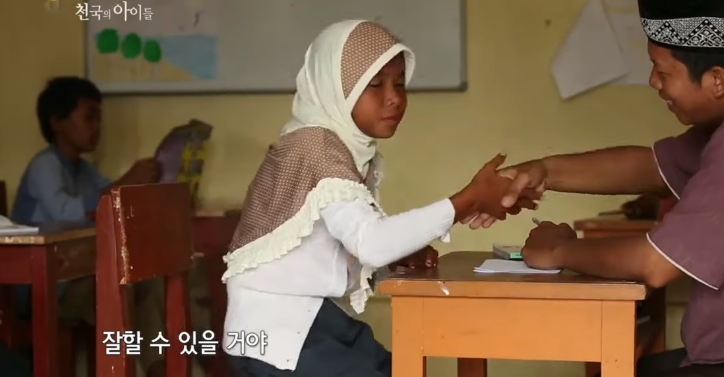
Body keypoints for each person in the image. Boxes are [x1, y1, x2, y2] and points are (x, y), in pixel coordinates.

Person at [479, 0, 724, 377]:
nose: (653, 83)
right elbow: (652, 166)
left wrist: (558, 250)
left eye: (663, 72)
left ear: (717, 80)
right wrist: (543, 171)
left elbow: (655, 264)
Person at [222, 20, 535, 377]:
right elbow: (370, 243)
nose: (395, 98)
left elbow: (332, 249)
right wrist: (466, 200)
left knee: (396, 368)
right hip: (279, 334)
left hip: (306, 321)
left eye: (400, 84)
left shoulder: (341, 148)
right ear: (335, 89)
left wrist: (402, 253)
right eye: (375, 85)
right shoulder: (316, 146)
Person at [10, 76, 170, 376]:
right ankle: (125, 369)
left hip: (73, 279)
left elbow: (112, 197)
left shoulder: (84, 170)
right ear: (57, 121)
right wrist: (127, 180)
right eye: (89, 117)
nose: (97, 126)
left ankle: (156, 369)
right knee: (125, 286)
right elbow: (67, 211)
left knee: (145, 279)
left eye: (99, 118)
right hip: (41, 288)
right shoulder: (44, 166)